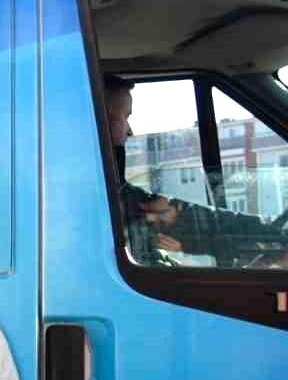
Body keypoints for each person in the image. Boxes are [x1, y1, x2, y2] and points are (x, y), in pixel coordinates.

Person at [105, 75, 287, 268]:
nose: (130, 131)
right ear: (97, 118)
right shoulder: (95, 195)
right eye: (124, 116)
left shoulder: (115, 189)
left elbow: (172, 218)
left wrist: (175, 213)